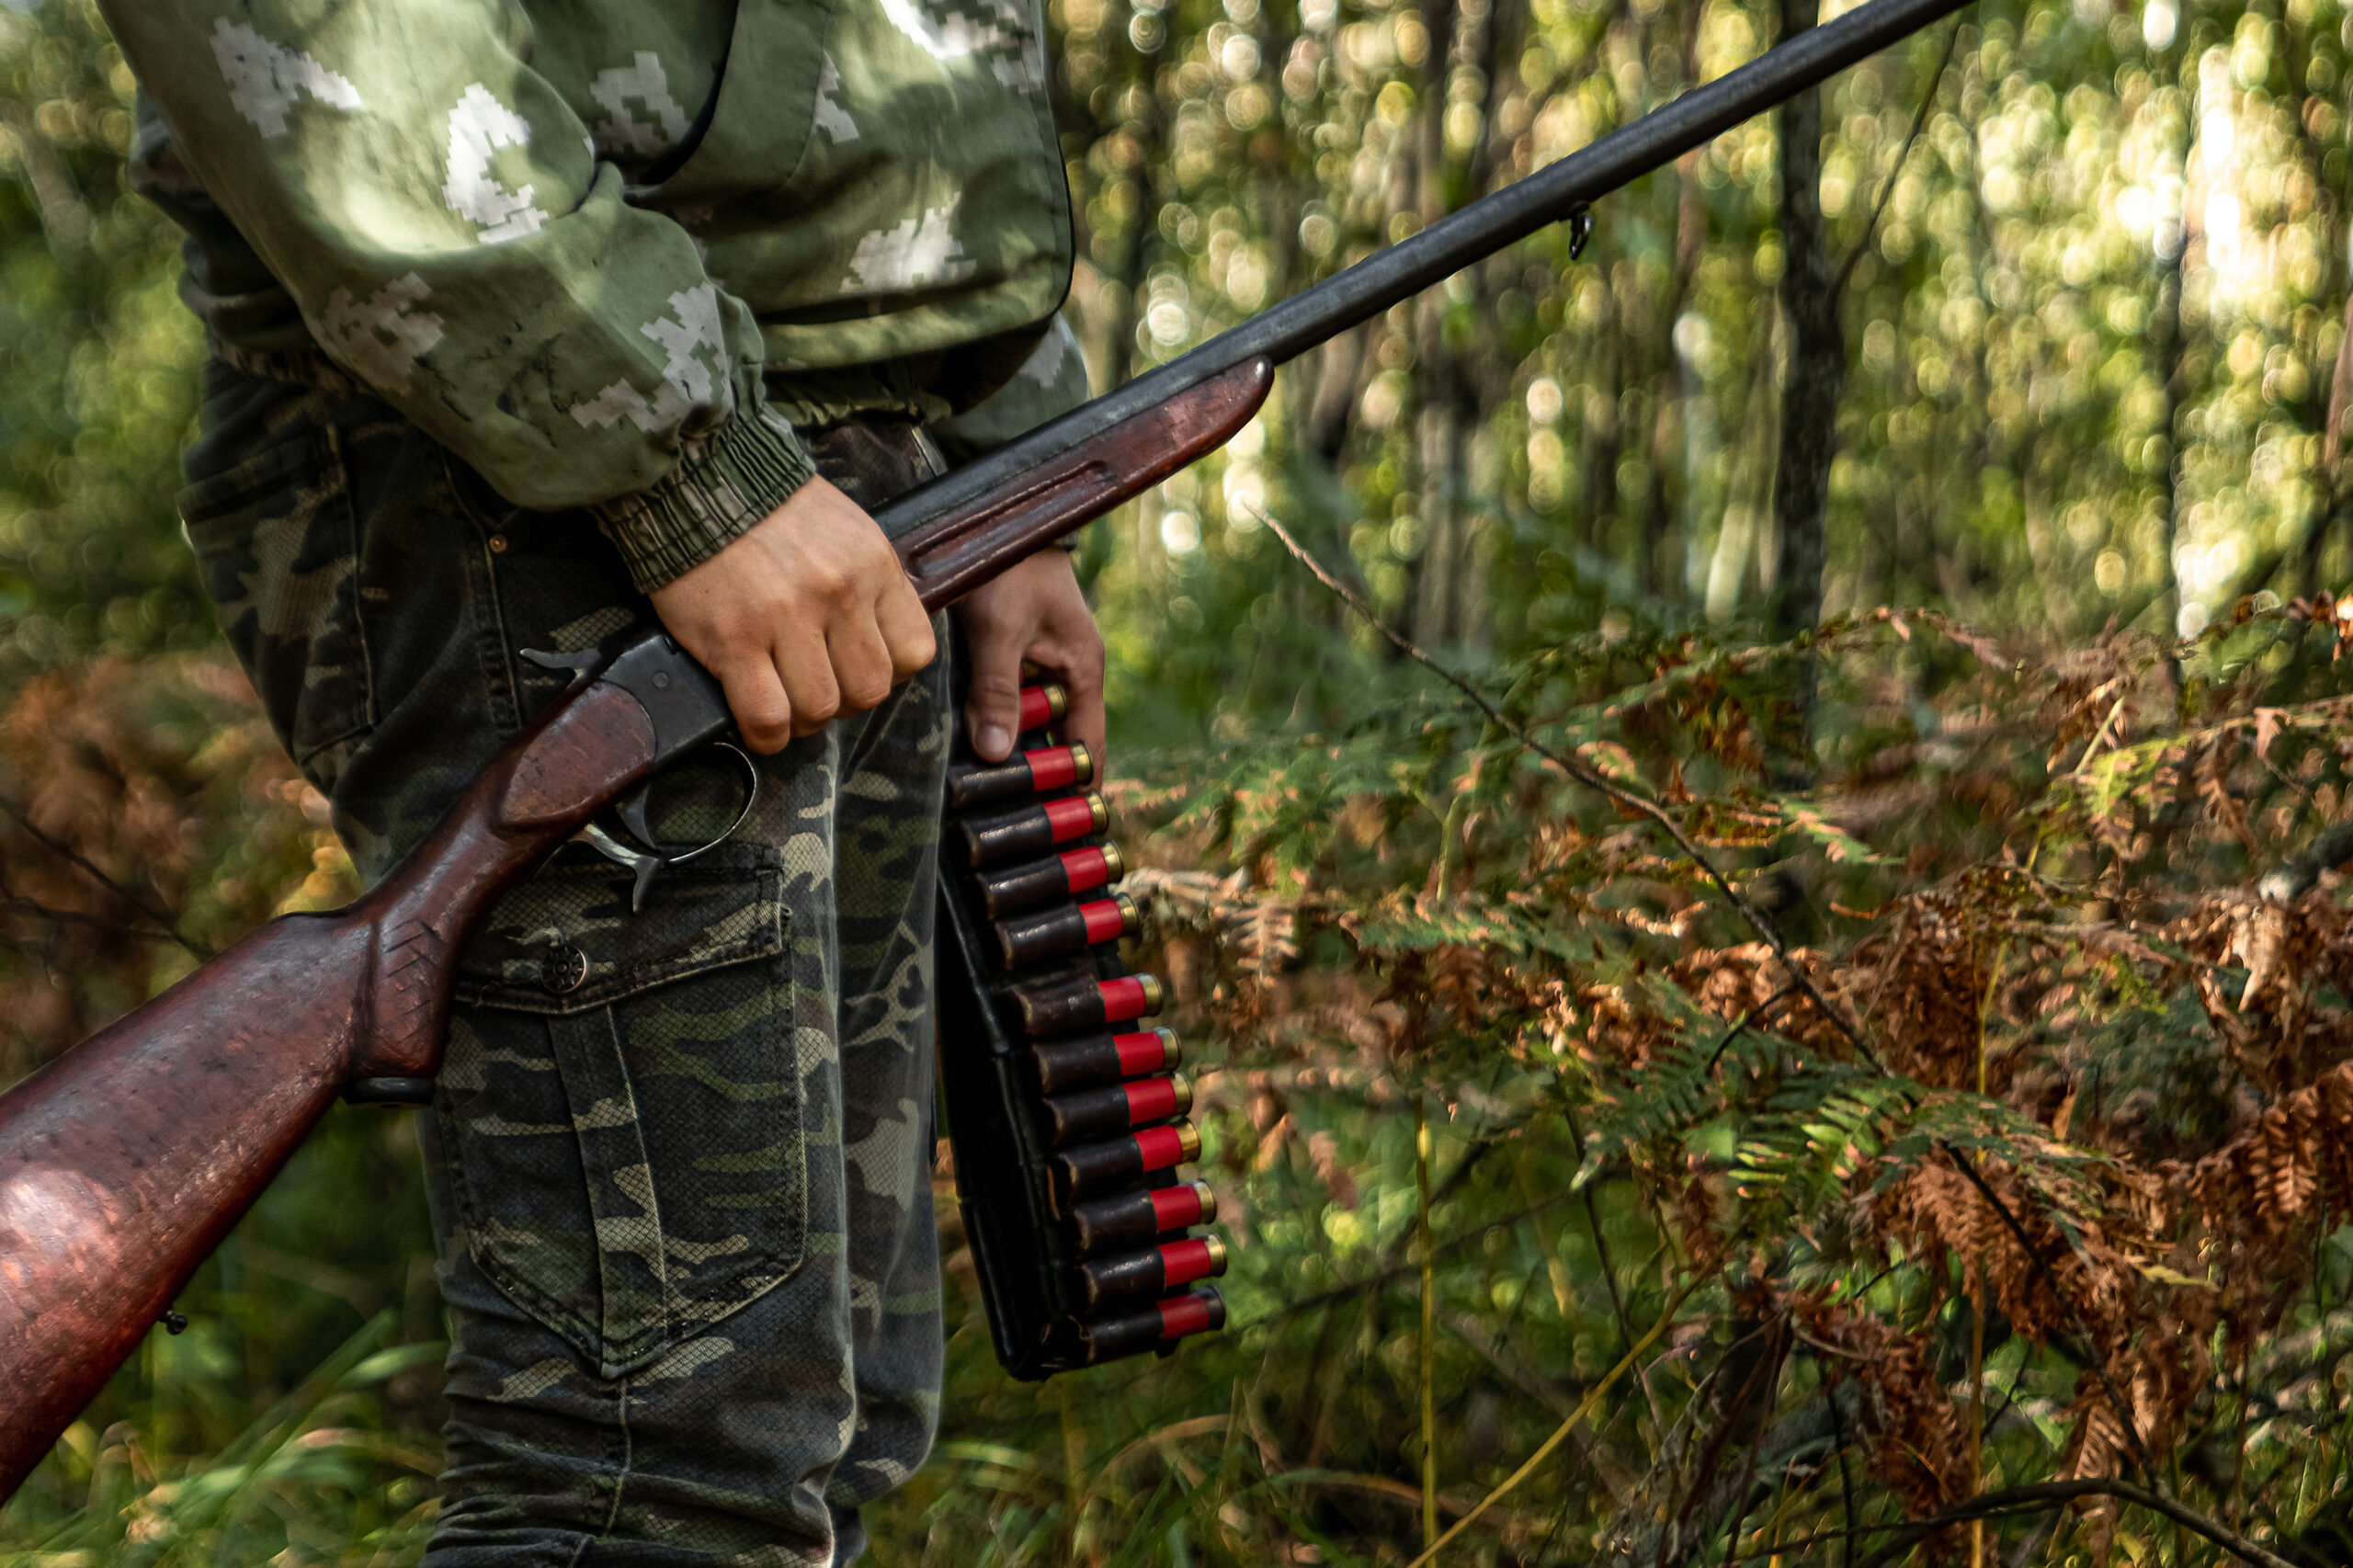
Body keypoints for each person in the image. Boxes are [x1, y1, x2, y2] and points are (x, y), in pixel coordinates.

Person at [94, 2, 1105, 1562]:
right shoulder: (637, 439)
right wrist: (673, 451)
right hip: (534, 447)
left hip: (848, 496)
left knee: (832, 1431)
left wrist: (1010, 439)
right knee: (650, 1473)